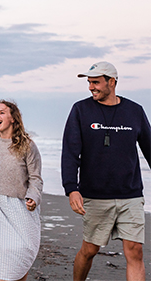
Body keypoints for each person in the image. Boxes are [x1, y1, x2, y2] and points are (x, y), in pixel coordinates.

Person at [61, 61, 151, 281]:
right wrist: (71, 188)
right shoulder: (81, 110)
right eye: (89, 82)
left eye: (96, 82)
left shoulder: (134, 111)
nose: (91, 87)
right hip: (95, 195)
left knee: (134, 251)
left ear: (112, 82)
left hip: (130, 194)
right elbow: (70, 152)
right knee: (90, 250)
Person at [0, 100, 43, 281]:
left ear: (13, 118)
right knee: (5, 259)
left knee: (20, 256)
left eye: (2, 112)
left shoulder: (28, 145)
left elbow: (35, 178)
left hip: (21, 207)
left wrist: (33, 197)